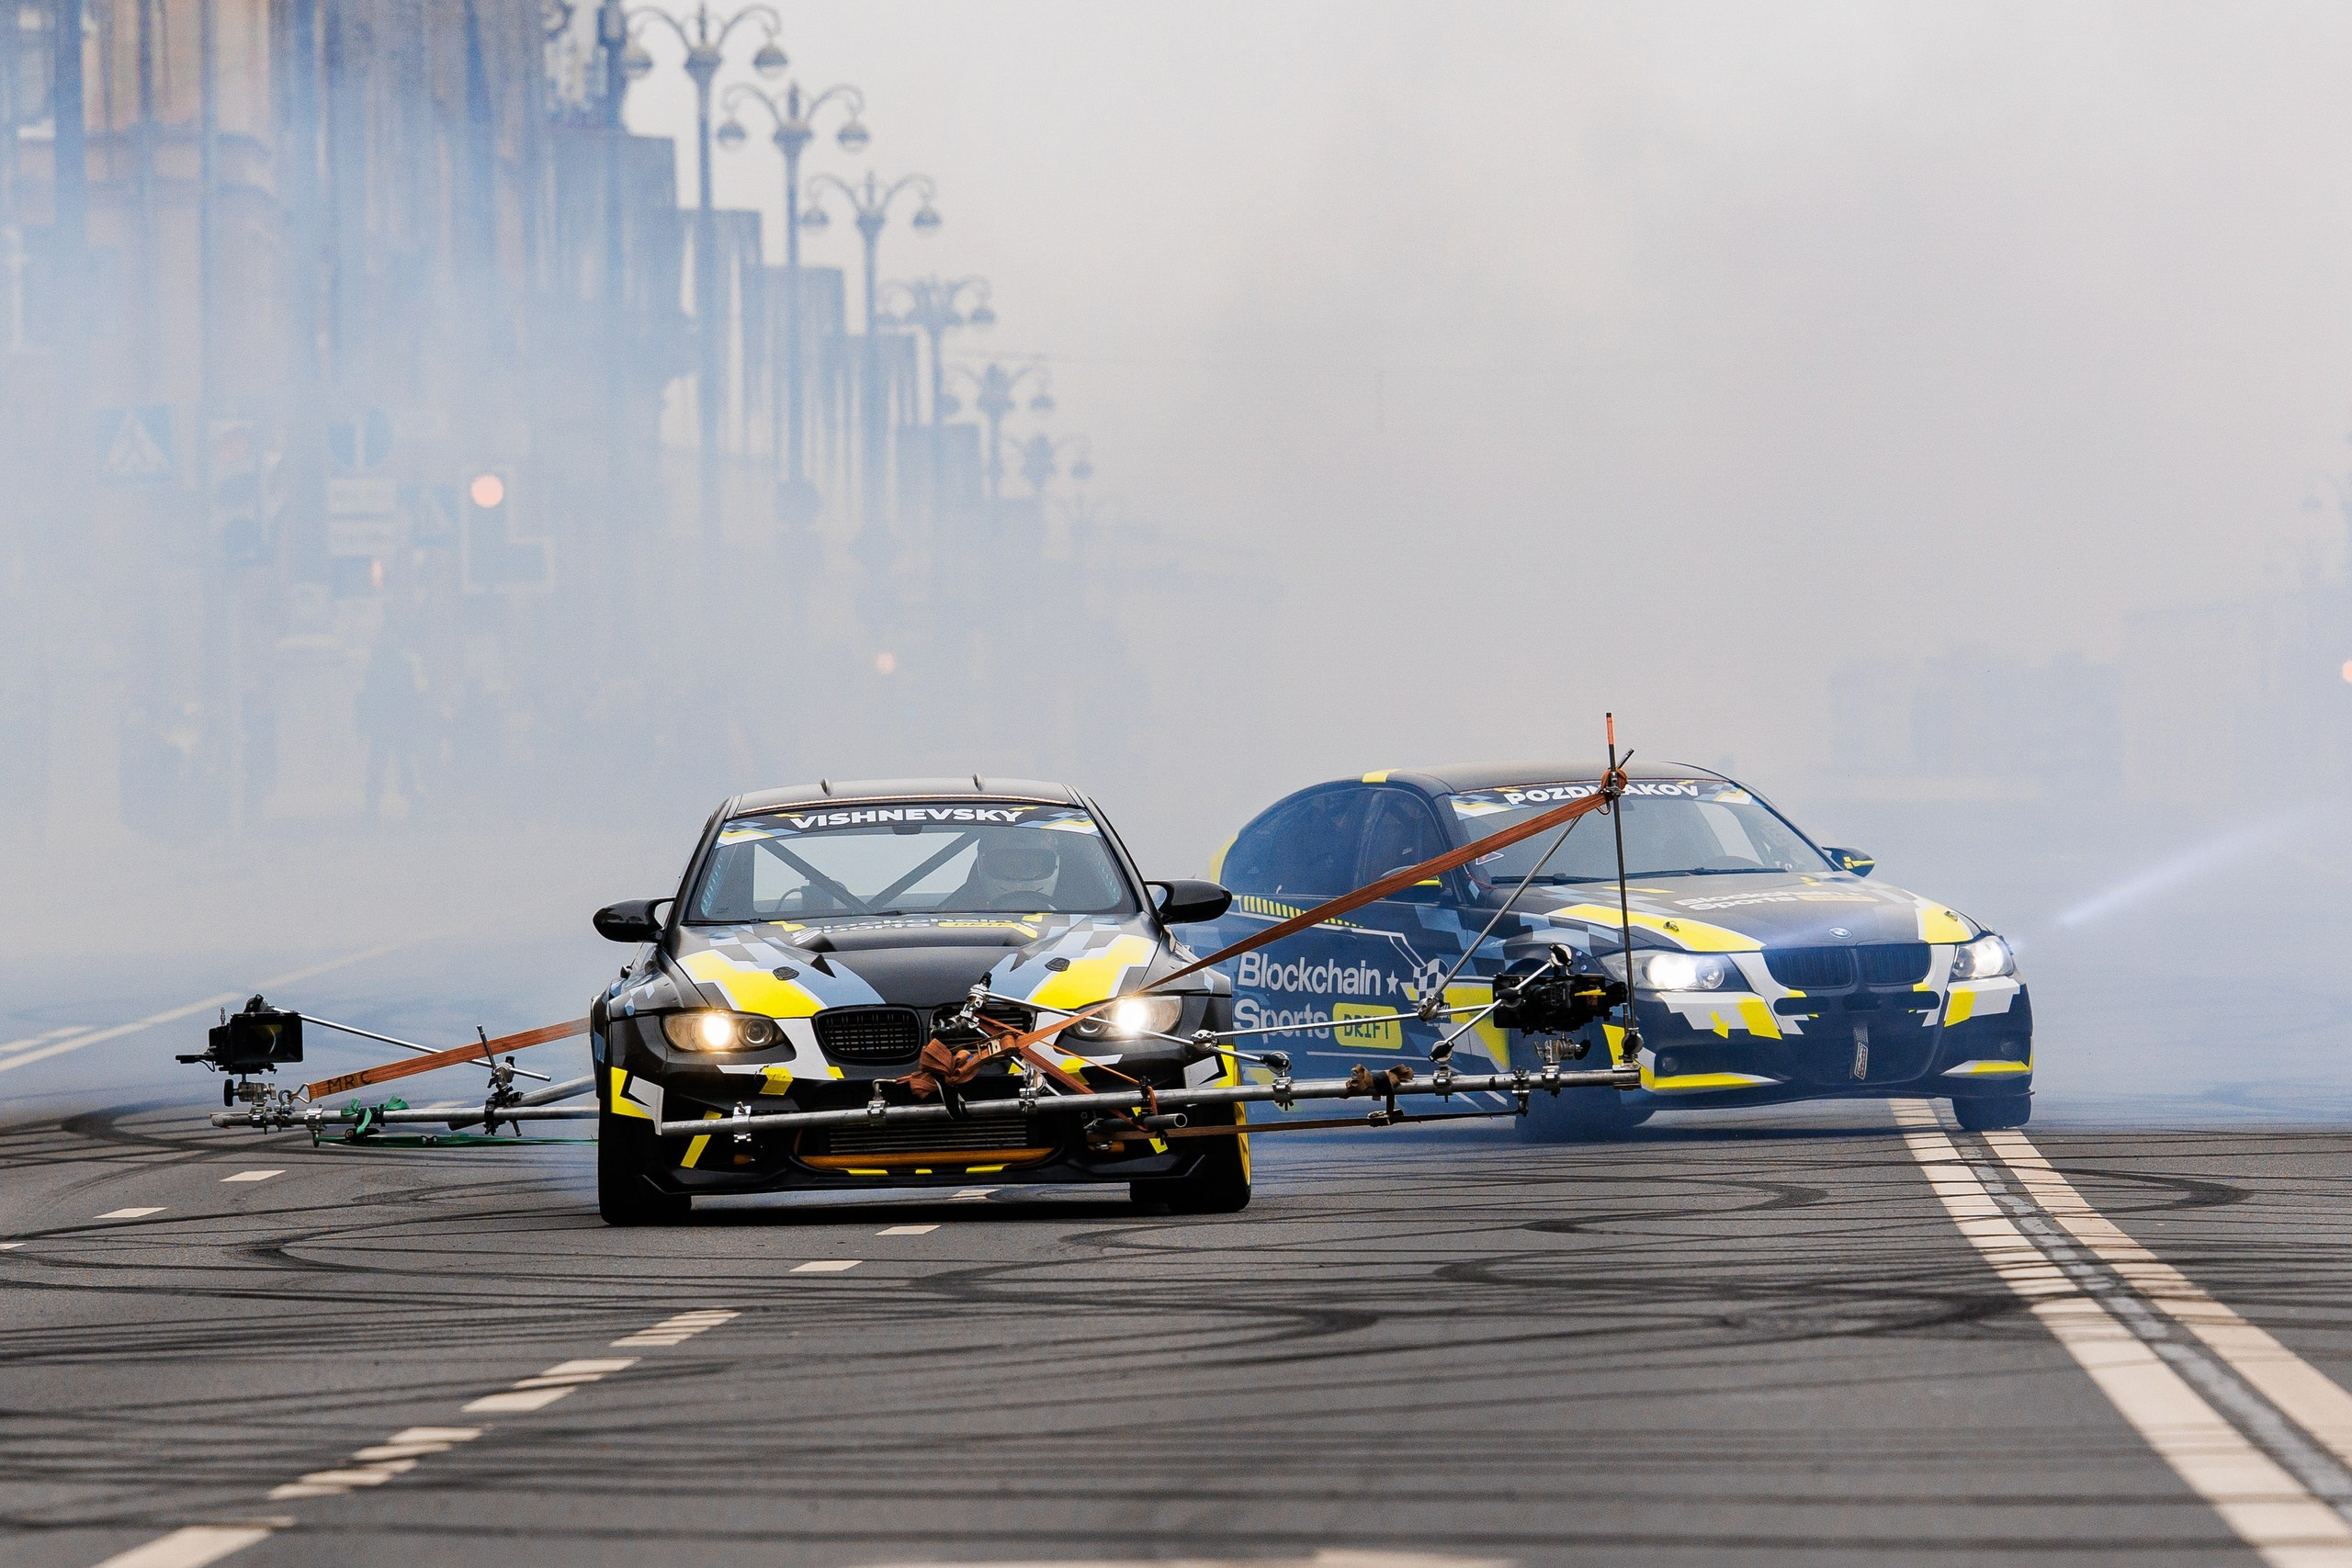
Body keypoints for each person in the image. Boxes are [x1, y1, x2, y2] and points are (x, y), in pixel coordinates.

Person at [355, 640, 424, 818]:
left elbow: (365, 699)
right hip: (399, 725)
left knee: (378, 766)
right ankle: (414, 801)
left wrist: (363, 726)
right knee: (404, 765)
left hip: (381, 726)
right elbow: (412, 697)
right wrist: (413, 723)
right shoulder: (403, 667)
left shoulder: (375, 668)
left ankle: (373, 805)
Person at [950, 832, 1061, 909]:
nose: (1018, 879)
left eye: (1029, 867)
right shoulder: (957, 912)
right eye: (1009, 866)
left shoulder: (1077, 922)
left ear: (1054, 865)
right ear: (984, 865)